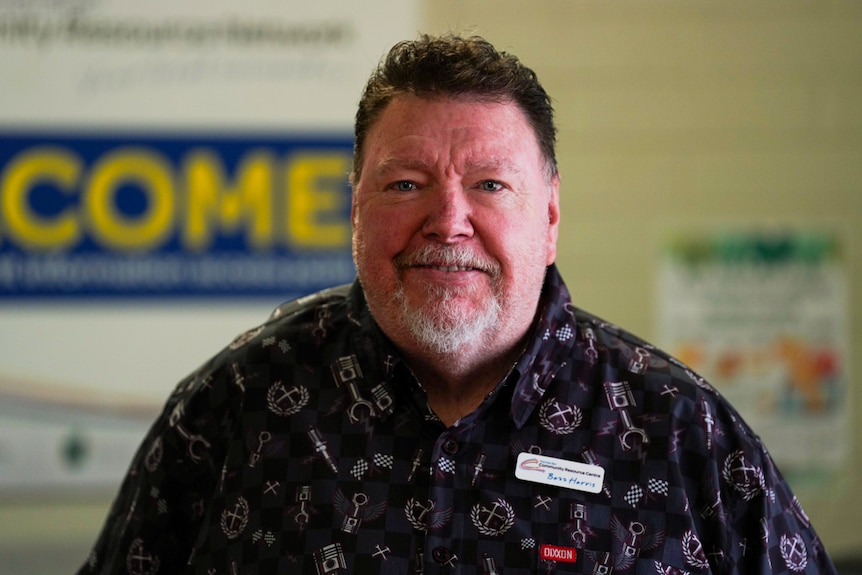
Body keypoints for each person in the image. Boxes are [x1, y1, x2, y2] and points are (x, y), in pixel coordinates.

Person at [78, 34, 836, 575]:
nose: (447, 220)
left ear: (549, 216)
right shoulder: (232, 410)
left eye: (490, 185)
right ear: (355, 210)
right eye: (405, 183)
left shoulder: (682, 432)